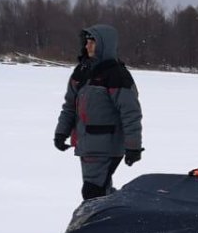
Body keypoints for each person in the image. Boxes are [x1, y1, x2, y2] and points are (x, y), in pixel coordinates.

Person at [54, 24, 144, 200]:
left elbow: (131, 112)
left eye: (92, 43)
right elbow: (69, 106)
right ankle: (118, 218)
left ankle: (102, 223)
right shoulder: (81, 71)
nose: (87, 46)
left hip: (107, 146)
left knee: (92, 192)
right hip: (87, 145)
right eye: (86, 42)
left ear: (105, 44)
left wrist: (133, 147)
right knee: (99, 192)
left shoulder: (116, 74)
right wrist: (61, 132)